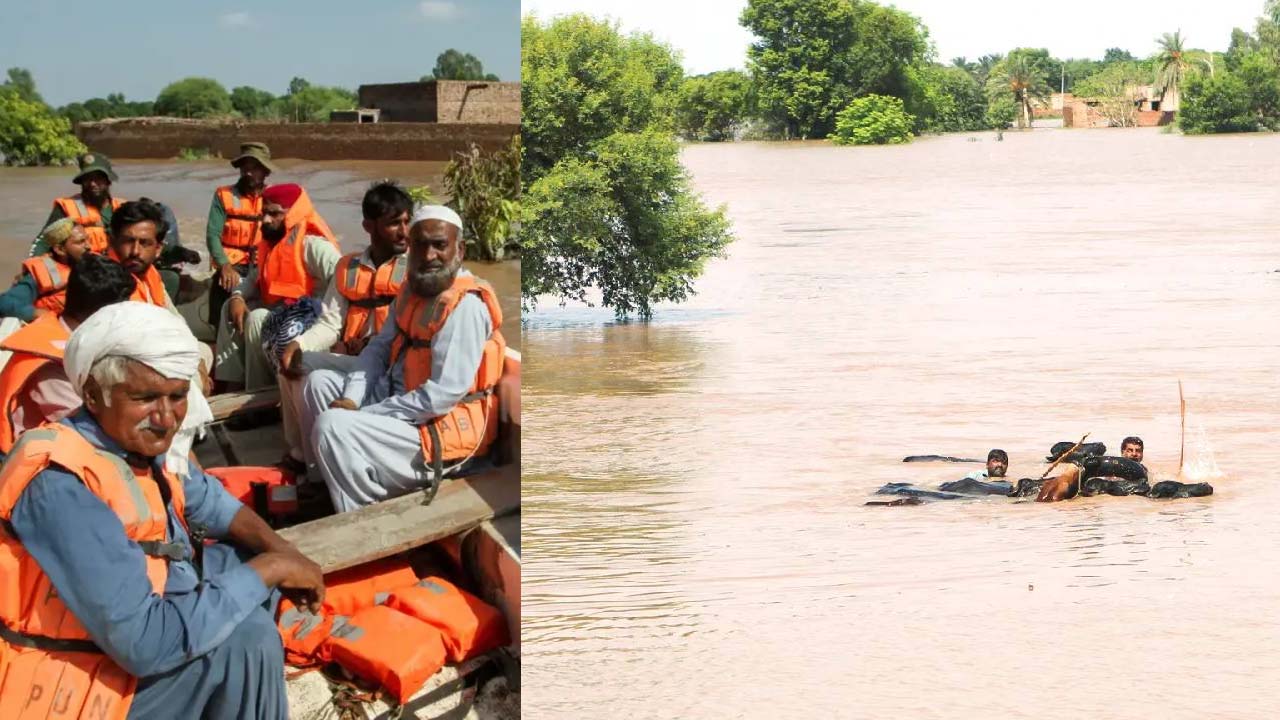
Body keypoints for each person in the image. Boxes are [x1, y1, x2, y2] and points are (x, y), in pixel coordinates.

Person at [0, 302, 324, 720]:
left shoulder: (134, 441)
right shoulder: (60, 482)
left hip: (112, 636)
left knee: (246, 560)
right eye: (145, 398)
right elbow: (146, 645)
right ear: (93, 395)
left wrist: (284, 553)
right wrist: (271, 569)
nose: (166, 417)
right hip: (66, 677)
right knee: (247, 638)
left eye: (176, 396)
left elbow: (214, 503)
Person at [301, 205, 506, 512]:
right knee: (318, 383)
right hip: (403, 409)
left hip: (440, 437)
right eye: (421, 245)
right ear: (410, 248)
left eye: (440, 245)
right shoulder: (412, 289)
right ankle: (330, 483)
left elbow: (440, 397)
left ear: (459, 250)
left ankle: (359, 513)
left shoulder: (465, 307)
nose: (429, 255)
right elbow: (379, 348)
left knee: (333, 426)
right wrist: (353, 398)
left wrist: (366, 416)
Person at [276, 181, 411, 473]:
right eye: (394, 224)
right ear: (368, 226)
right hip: (352, 359)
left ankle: (323, 459)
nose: (404, 232)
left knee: (316, 376)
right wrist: (298, 344)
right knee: (292, 363)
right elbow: (329, 323)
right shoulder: (347, 267)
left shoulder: (415, 270)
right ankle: (303, 453)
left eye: (406, 222)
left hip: (387, 365)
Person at [0, 254, 137, 454]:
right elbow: (91, 432)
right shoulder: (50, 365)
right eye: (122, 311)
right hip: (32, 462)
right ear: (101, 314)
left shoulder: (70, 336)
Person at [215, 183, 340, 392]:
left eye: (274, 214)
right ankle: (232, 383)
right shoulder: (269, 245)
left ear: (293, 214)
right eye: (264, 213)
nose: (265, 220)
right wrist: (237, 296)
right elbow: (252, 279)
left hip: (310, 323)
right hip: (280, 318)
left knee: (257, 318)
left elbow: (343, 284)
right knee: (230, 306)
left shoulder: (313, 246)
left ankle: (258, 392)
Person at [207, 142, 275, 326]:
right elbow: (213, 234)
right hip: (232, 263)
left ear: (266, 171)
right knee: (223, 285)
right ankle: (217, 332)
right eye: (245, 168)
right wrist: (224, 265)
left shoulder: (274, 197)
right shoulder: (224, 195)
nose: (248, 173)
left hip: (262, 264)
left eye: (254, 168)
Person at [30, 152, 125, 254]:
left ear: (108, 181)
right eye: (87, 179)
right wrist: (31, 265)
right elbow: (44, 241)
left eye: (98, 178)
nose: (92, 184)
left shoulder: (124, 208)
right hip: (81, 266)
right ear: (81, 182)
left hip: (114, 266)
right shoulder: (66, 207)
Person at [0, 218, 91, 321]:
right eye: (80, 242)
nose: (89, 246)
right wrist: (43, 315)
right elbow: (5, 303)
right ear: (60, 250)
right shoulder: (40, 272)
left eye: (88, 239)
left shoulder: (93, 262)